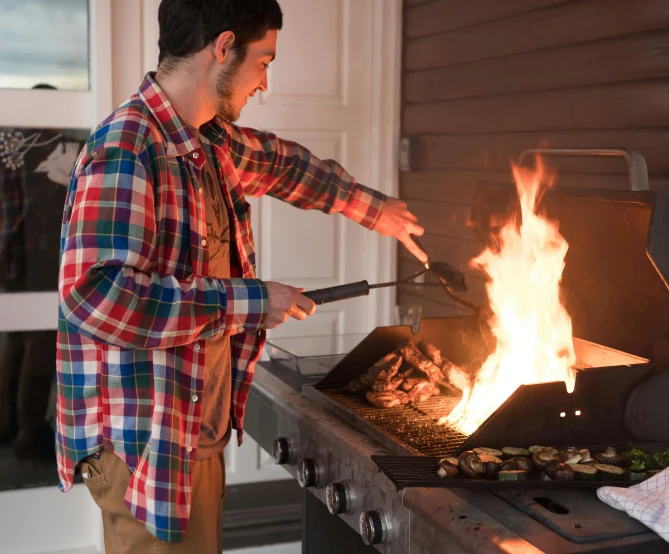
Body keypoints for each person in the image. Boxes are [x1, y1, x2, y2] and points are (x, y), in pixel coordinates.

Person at [55, 1, 426, 553]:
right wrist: (253, 302)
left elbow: (283, 164)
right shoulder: (127, 146)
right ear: (223, 47)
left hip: (188, 432)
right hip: (145, 447)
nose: (264, 82)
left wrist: (373, 209)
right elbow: (97, 296)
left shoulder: (207, 141)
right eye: (263, 61)